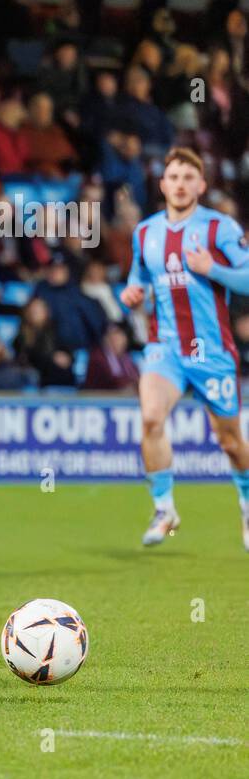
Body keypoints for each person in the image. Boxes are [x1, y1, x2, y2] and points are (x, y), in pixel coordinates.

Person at [119, 147, 249, 548]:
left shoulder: (219, 229)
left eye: (188, 178)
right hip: (165, 347)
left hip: (211, 352)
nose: (180, 184)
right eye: (173, 177)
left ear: (201, 185)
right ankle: (165, 510)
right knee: (152, 420)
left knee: (229, 441)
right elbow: (135, 277)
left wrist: (214, 270)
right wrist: (131, 293)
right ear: (162, 184)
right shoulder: (146, 232)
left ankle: (246, 505)